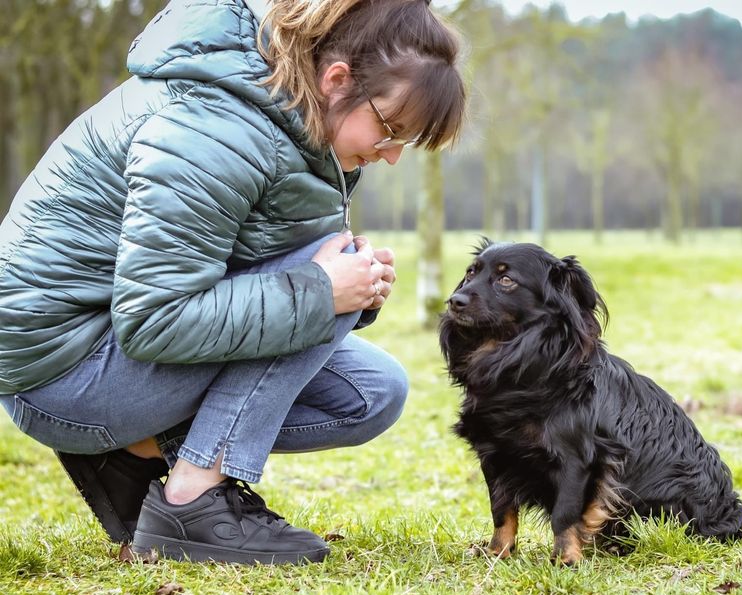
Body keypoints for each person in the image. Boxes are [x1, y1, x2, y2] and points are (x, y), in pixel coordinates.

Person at [0, 0, 465, 564]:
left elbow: (242, 262)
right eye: (391, 130)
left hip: (111, 349)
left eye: (406, 143)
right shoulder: (215, 127)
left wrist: (348, 287)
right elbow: (156, 320)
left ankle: (137, 451)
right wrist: (323, 289)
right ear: (336, 78)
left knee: (373, 393)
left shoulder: (290, 118)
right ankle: (191, 500)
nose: (391, 156)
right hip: (62, 374)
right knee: (324, 283)